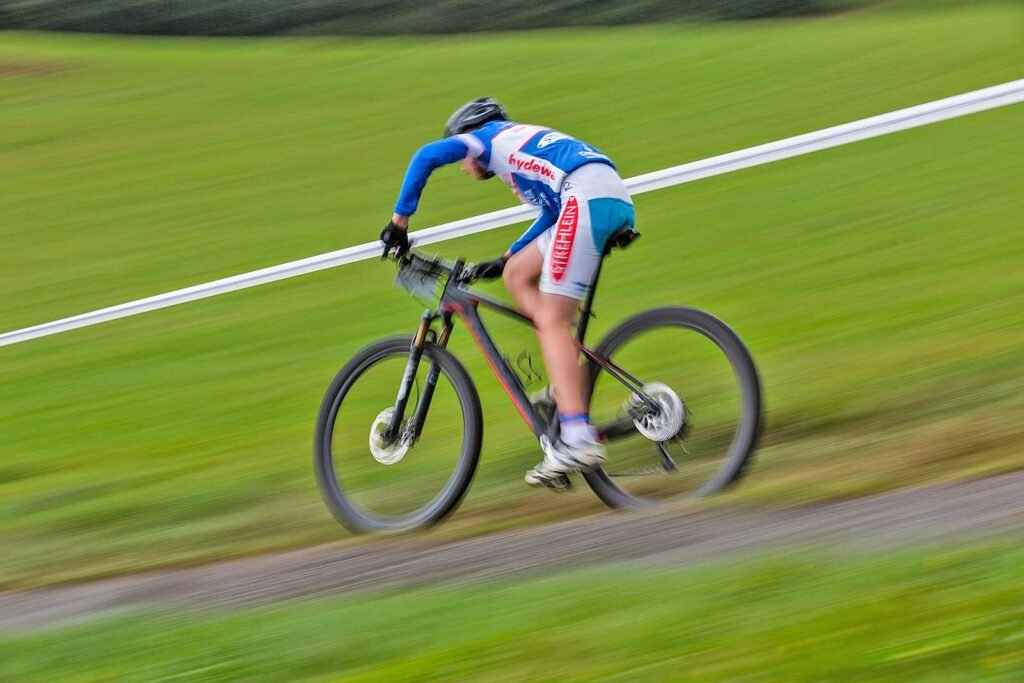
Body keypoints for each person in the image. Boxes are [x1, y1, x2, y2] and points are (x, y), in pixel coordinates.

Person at [380, 97, 635, 489]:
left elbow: (425, 156)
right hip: (600, 195)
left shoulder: (486, 139)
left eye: (465, 157)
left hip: (585, 198)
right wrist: (505, 257)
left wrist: (399, 224)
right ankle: (568, 376)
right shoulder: (518, 144)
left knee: (551, 318)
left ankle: (576, 439)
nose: (466, 166)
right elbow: (552, 213)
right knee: (517, 275)